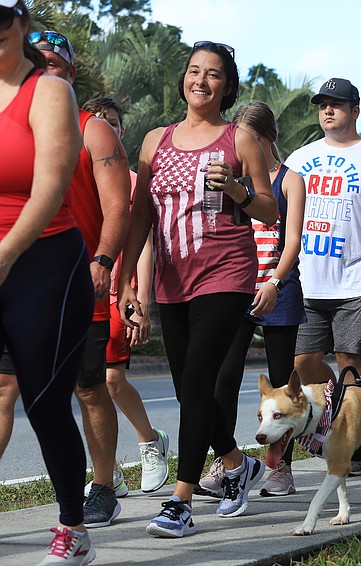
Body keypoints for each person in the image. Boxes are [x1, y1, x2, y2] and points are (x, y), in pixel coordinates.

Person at [117, 41, 278, 538]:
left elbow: (270, 210)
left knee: (195, 384)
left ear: (227, 86)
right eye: (193, 71)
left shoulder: (240, 139)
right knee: (191, 390)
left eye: (213, 74)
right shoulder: (155, 141)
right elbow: (140, 216)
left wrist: (237, 190)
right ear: (183, 79)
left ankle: (180, 502)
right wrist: (127, 281)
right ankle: (236, 463)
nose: (201, 81)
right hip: (172, 280)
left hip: (226, 273)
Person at [27, 30, 135, 530]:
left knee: (89, 388)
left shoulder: (94, 130)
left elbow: (118, 207)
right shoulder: (12, 126)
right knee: (7, 388)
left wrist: (104, 261)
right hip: (22, 282)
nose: (43, 68)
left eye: (54, 62)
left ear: (70, 72)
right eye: (35, 60)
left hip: (79, 279)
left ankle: (104, 488)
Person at [0, 2, 94, 562]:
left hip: (43, 265)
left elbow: (51, 187)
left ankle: (73, 529)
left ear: (21, 23)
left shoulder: (49, 91)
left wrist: (5, 256)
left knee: (44, 404)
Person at [285, 77, 361, 476]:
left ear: (355, 111)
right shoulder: (300, 159)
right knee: (303, 362)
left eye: (336, 104)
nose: (328, 111)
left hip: (358, 278)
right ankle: (339, 408)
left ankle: (355, 444)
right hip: (308, 280)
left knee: (351, 362)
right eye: (323, 105)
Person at [196, 101, 307, 498]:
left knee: (282, 383)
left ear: (269, 138)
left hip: (278, 287)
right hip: (238, 287)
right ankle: (226, 461)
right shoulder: (234, 180)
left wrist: (275, 282)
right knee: (223, 378)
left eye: (254, 139)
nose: (247, 146)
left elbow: (292, 240)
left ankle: (281, 467)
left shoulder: (290, 180)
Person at [80, 95, 168, 496]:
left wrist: (140, 297)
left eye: (113, 122)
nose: (106, 128)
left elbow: (144, 242)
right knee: (86, 385)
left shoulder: (132, 181)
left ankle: (150, 441)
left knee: (112, 380)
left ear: (122, 129)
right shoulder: (73, 172)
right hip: (83, 291)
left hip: (118, 290)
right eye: (98, 121)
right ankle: (108, 471)